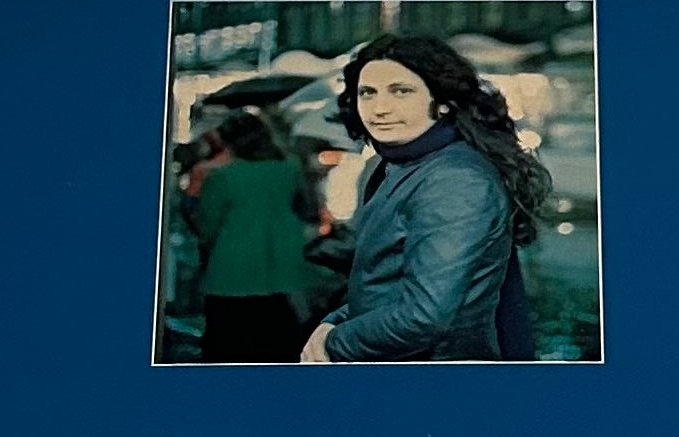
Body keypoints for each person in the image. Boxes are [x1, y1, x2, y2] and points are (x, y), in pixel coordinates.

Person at [301, 34, 545, 362]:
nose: (380, 109)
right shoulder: (400, 163)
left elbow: (424, 316)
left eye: (401, 91)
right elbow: (386, 283)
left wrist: (334, 343)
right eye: (367, 93)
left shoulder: (454, 178)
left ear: (442, 101)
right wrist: (333, 322)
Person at [180, 112, 317, 360]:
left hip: (231, 273)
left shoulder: (223, 177)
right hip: (282, 269)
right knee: (279, 348)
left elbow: (206, 225)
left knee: (228, 350)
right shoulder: (289, 168)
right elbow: (307, 208)